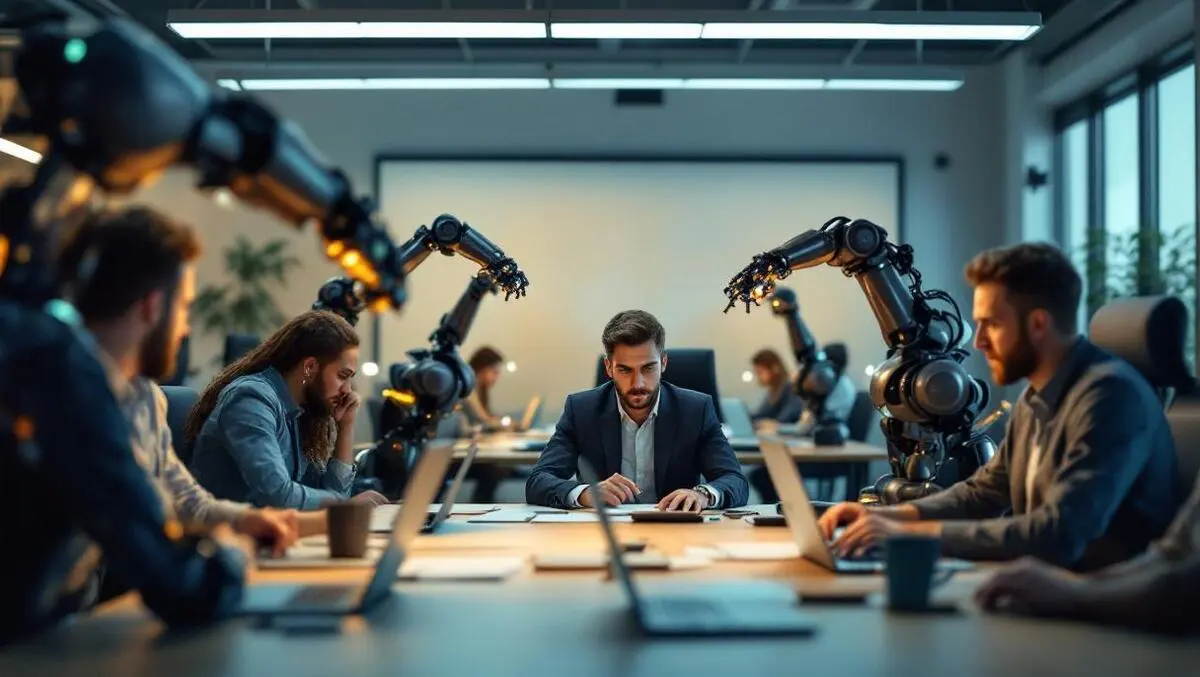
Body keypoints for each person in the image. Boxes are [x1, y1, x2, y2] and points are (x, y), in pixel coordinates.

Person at [817, 242, 1181, 571]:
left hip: (1101, 610)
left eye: (990, 324)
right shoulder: (1037, 395)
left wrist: (916, 536)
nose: (978, 342)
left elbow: (1059, 533)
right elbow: (985, 493)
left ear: (1038, 323)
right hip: (1039, 589)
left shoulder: (1111, 398)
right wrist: (891, 518)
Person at [0, 206, 252, 644]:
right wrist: (234, 554)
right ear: (154, 305)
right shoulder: (65, 379)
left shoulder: (55, 365)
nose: (186, 328)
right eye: (186, 307)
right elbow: (182, 588)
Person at [526, 310, 749, 511]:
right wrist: (584, 493)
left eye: (648, 368)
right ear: (608, 367)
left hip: (676, 529)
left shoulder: (696, 410)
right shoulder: (582, 410)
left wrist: (702, 495)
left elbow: (734, 480)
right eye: (624, 370)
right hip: (602, 534)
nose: (638, 383)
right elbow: (539, 480)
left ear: (663, 363)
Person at [187, 311, 389, 510]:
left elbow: (327, 494)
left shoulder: (300, 412)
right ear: (310, 367)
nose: (348, 390)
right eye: (342, 376)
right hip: (229, 538)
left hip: (275, 536)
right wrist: (344, 506)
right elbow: (278, 495)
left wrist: (346, 427)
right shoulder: (251, 399)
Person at [974, 471, 1200, 634]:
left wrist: (1077, 595)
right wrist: (1077, 585)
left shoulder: (1112, 407)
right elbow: (1170, 554)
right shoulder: (1030, 413)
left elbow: (1190, 589)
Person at [749, 343, 858, 503]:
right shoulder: (824, 387)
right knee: (764, 472)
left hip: (828, 455)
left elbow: (808, 425)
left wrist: (779, 428)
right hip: (815, 447)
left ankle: (782, 514)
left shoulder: (840, 388)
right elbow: (804, 425)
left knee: (767, 473)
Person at [748, 348, 804, 429]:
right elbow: (761, 414)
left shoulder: (791, 388)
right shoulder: (772, 392)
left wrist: (774, 424)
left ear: (775, 368)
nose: (758, 377)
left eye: (760, 372)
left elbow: (788, 417)